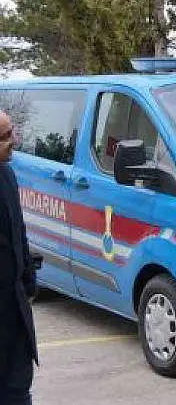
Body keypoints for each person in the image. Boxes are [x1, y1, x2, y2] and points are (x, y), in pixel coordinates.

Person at [0, 110, 36, 405]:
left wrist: (27, 279)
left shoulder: (7, 173)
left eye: (12, 131)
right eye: (5, 136)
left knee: (18, 386)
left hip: (13, 306)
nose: (14, 140)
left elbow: (17, 228)